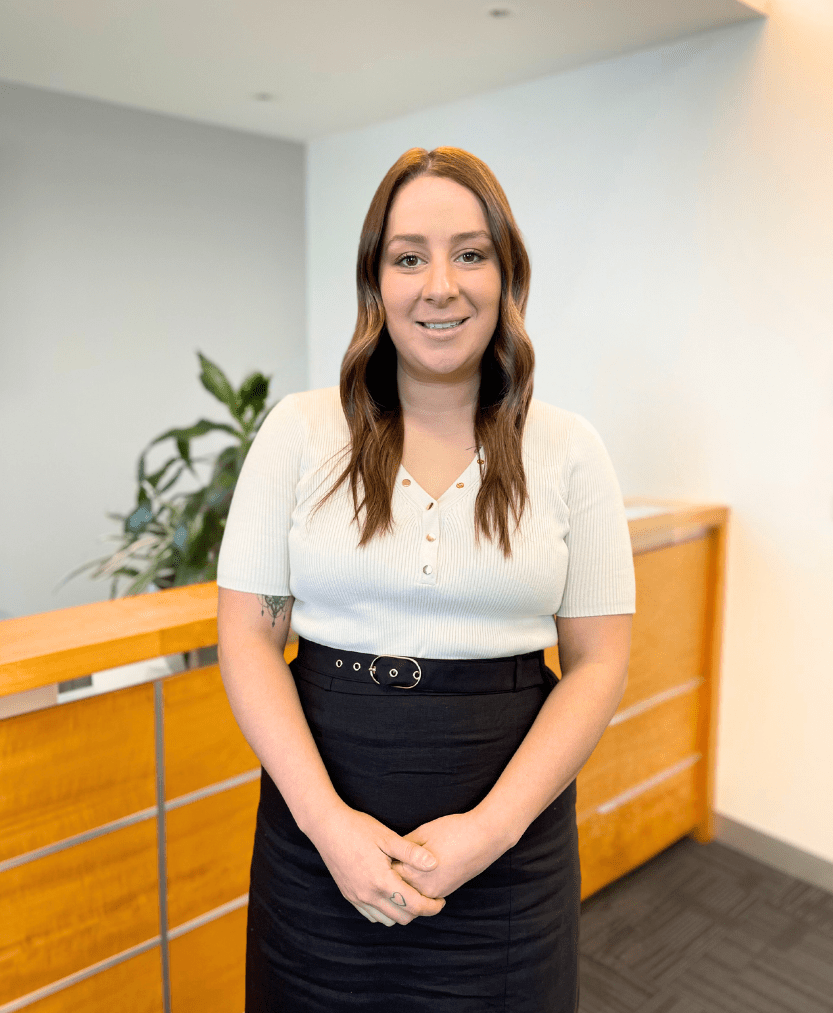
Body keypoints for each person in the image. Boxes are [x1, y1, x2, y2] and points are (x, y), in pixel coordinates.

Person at [216, 146, 636, 1012]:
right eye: (408, 256)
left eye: (469, 252)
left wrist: (490, 830)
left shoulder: (569, 449)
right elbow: (249, 636)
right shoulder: (299, 432)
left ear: (506, 273)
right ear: (376, 281)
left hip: (508, 848)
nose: (438, 284)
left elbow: (598, 662)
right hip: (318, 839)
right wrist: (329, 827)